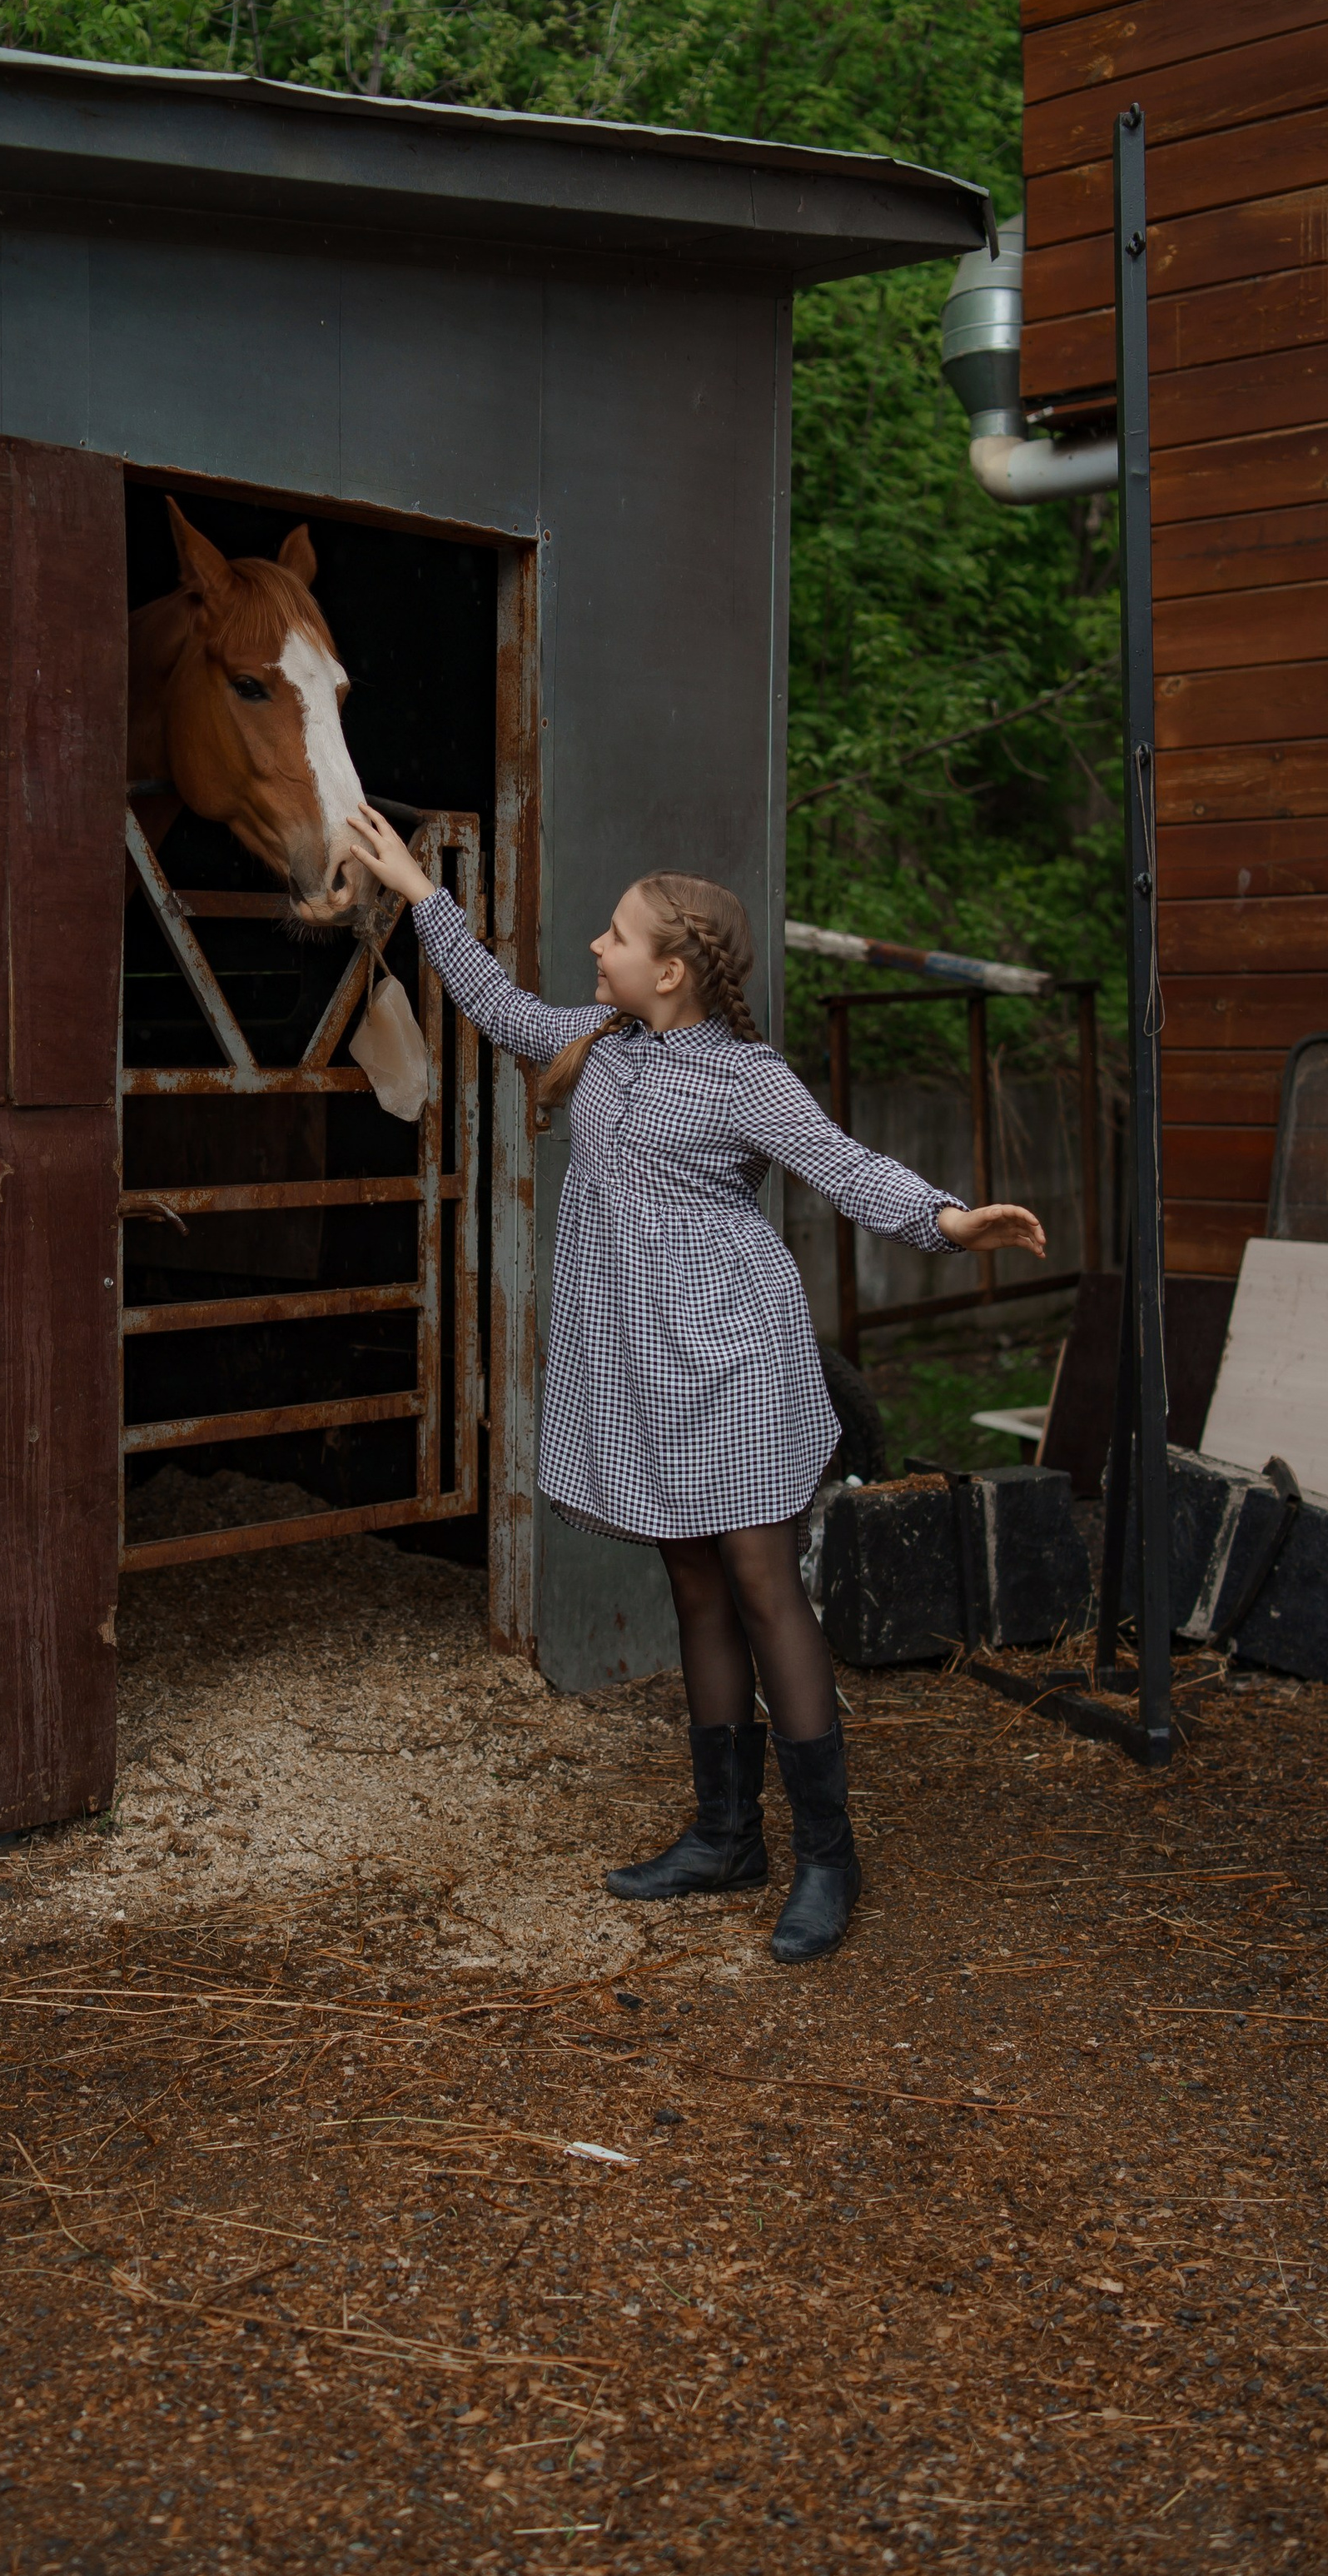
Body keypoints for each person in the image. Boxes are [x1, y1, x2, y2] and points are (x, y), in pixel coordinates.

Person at [339, 809, 1046, 1964]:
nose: (594, 949)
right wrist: (422, 890)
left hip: (734, 1361)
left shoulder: (746, 1081)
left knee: (765, 1587)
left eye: (615, 937)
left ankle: (828, 1857)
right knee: (696, 1587)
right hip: (643, 1363)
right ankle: (724, 1835)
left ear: (671, 969)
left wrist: (952, 1220)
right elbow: (498, 1006)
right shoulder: (602, 1044)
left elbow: (847, 1167)